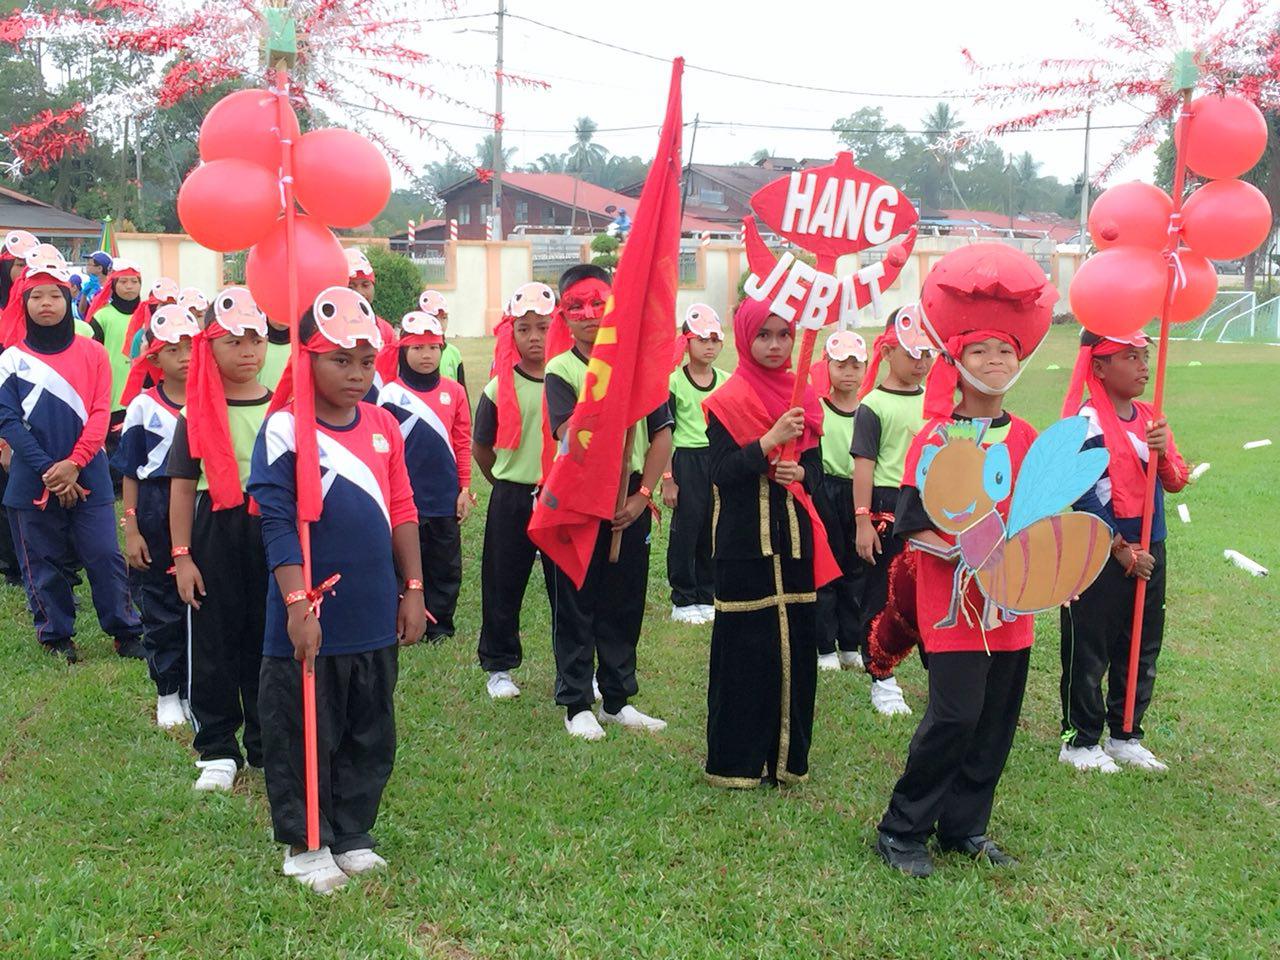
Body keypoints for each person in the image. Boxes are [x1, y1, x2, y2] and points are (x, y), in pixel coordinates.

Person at [876, 243, 1055, 878]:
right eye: (980, 350)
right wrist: (967, 549)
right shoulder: (935, 435)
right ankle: (902, 828)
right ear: (955, 359)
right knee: (955, 715)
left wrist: (1056, 568)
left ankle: (964, 827)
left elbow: (1044, 520)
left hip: (1013, 607)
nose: (995, 360)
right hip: (952, 608)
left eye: (1006, 350)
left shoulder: (1029, 437)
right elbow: (911, 524)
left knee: (996, 722)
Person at [249, 288, 425, 894]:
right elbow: (276, 520)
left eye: (366, 361)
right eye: (340, 360)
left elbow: (402, 508)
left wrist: (413, 588)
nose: (355, 374)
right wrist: (297, 603)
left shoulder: (383, 426)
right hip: (310, 613)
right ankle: (306, 843)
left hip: (372, 610)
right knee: (303, 731)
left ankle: (352, 831)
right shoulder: (285, 428)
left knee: (369, 728)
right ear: (308, 359)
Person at [701, 297, 841, 788]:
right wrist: (766, 442)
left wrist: (801, 473)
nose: (775, 345)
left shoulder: (804, 398)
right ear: (745, 338)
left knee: (797, 649)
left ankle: (786, 763)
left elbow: (819, 473)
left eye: (784, 334)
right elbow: (720, 472)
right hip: (743, 543)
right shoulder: (728, 399)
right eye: (764, 334)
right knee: (745, 651)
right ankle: (737, 763)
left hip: (795, 540)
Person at [542, 263, 672, 740]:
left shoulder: (641, 368)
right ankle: (576, 702)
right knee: (576, 601)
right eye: (576, 306)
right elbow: (567, 432)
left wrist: (642, 496)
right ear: (563, 315)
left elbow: (662, 435)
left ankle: (617, 698)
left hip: (629, 498)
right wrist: (611, 399)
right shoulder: (561, 370)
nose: (589, 315)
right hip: (579, 496)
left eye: (598, 303)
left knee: (624, 601)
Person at [0, 248, 143, 663]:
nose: (46, 303)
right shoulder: (11, 360)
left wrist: (75, 463)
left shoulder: (93, 353)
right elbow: (7, 420)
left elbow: (100, 412)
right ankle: (56, 634)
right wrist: (49, 469)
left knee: (103, 553)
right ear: (23, 302)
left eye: (55, 295)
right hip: (32, 477)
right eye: (36, 295)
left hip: (89, 472)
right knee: (41, 561)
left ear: (68, 300)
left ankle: (124, 630)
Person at [1058, 330, 1188, 773]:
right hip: (1101, 549)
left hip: (1152, 544)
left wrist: (1162, 452)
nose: (1143, 366)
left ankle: (1125, 734)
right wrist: (1120, 548)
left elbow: (1175, 480)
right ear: (1098, 367)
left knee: (1140, 645)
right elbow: (1082, 491)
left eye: (1144, 355)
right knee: (1089, 646)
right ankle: (1079, 740)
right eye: (1129, 357)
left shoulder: (1151, 417)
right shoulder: (1087, 420)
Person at [166, 287, 271, 792]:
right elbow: (183, 487)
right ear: (209, 345)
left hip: (269, 527)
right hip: (215, 528)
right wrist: (182, 555)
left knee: (267, 638)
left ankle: (267, 743)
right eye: (234, 341)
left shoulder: (283, 410)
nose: (248, 351)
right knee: (213, 640)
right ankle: (217, 748)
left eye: (256, 340)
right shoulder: (196, 412)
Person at [113, 305, 200, 727]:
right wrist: (132, 528)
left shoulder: (210, 402)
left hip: (200, 505)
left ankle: (197, 687)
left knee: (200, 601)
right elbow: (131, 471)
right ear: (154, 357)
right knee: (161, 603)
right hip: (155, 504)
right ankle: (168, 690)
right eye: (173, 349)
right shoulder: (143, 407)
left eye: (190, 347)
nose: (184, 357)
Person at [472, 282, 553, 700]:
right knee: (502, 582)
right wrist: (506, 483)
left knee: (569, 587)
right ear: (512, 333)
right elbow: (481, 447)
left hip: (560, 498)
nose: (535, 337)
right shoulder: (497, 388)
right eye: (525, 329)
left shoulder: (568, 381)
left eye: (544, 327)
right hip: (512, 497)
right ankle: (499, 666)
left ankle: (577, 664)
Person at [851, 307, 933, 714]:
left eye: (927, 353)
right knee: (883, 592)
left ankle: (942, 673)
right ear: (886, 352)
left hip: (931, 505)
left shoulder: (936, 402)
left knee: (933, 591)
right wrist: (863, 519)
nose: (921, 362)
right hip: (888, 506)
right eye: (912, 353)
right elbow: (864, 465)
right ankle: (881, 675)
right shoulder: (873, 405)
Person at [376, 309, 471, 641]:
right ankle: (403, 619)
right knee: (401, 562)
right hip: (404, 499)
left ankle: (439, 625)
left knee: (445, 564)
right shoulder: (389, 395)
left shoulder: (454, 392)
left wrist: (464, 488)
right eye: (417, 348)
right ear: (403, 350)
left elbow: (462, 441)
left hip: (444, 496)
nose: (426, 354)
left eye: (433, 347)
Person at [665, 303, 728, 626]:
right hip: (686, 461)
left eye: (715, 340)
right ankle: (683, 596)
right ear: (687, 342)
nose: (709, 346)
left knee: (712, 528)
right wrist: (668, 478)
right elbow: (664, 433)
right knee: (686, 530)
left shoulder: (726, 381)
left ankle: (707, 593)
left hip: (716, 461)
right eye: (702, 340)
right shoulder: (673, 382)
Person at [814, 330, 867, 672]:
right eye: (840, 365)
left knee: (857, 571)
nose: (848, 372)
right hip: (825, 491)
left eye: (856, 365)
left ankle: (851, 643)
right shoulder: (818, 409)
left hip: (859, 492)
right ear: (827, 367)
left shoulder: (869, 411)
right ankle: (824, 646)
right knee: (826, 569)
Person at [82, 258, 145, 436]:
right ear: (114, 284)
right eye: (123, 281)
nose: (129, 286)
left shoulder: (151, 315)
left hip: (144, 396)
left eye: (134, 281)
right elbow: (91, 359)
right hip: (112, 399)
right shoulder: (102, 317)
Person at [418, 290, 466, 391]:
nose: (440, 323)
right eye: (434, 318)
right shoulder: (414, 352)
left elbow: (462, 389)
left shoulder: (454, 353)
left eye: (444, 318)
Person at [79, 251, 111, 318]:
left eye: (89, 264)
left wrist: (99, 294)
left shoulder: (111, 287)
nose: (87, 267)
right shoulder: (88, 285)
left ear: (99, 268)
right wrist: (84, 295)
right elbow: (82, 311)